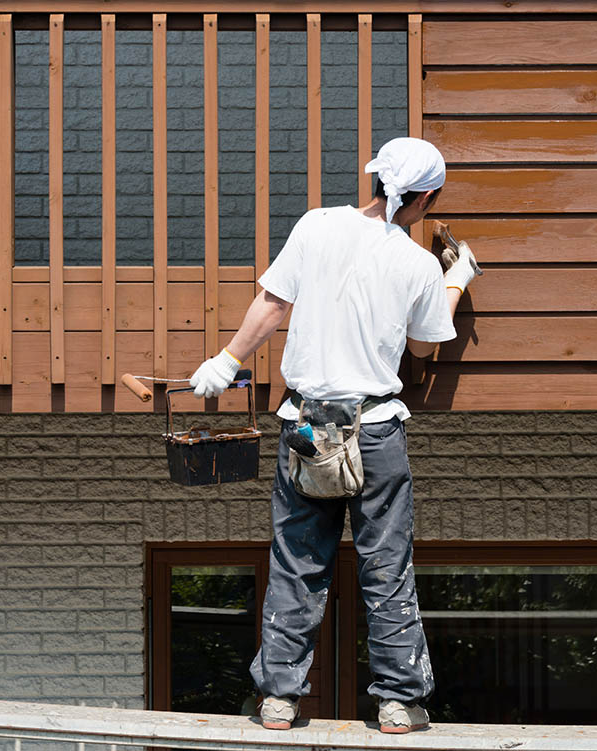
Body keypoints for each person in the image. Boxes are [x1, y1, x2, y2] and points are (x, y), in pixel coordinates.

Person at [188, 137, 479, 733]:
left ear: (373, 178)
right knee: (386, 565)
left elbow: (271, 306)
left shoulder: (316, 227)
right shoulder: (419, 264)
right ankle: (398, 703)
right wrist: (458, 276)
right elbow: (433, 334)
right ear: (426, 196)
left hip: (306, 427)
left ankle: (278, 699)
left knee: (298, 564)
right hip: (374, 432)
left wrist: (224, 360)